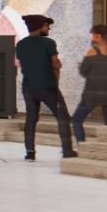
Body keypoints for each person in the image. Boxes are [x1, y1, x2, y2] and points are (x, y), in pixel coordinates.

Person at [16, 13, 77, 161]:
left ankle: (30, 152)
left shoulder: (20, 44)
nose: (48, 27)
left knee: (31, 119)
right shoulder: (48, 43)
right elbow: (55, 64)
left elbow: (22, 63)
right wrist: (56, 73)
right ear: (40, 26)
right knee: (63, 117)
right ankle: (67, 150)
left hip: (29, 87)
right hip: (48, 86)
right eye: (46, 25)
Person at [72, 24, 107, 143]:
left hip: (92, 93)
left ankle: (82, 146)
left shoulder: (91, 51)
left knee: (76, 120)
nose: (91, 37)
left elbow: (83, 72)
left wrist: (80, 65)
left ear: (98, 36)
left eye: (93, 34)